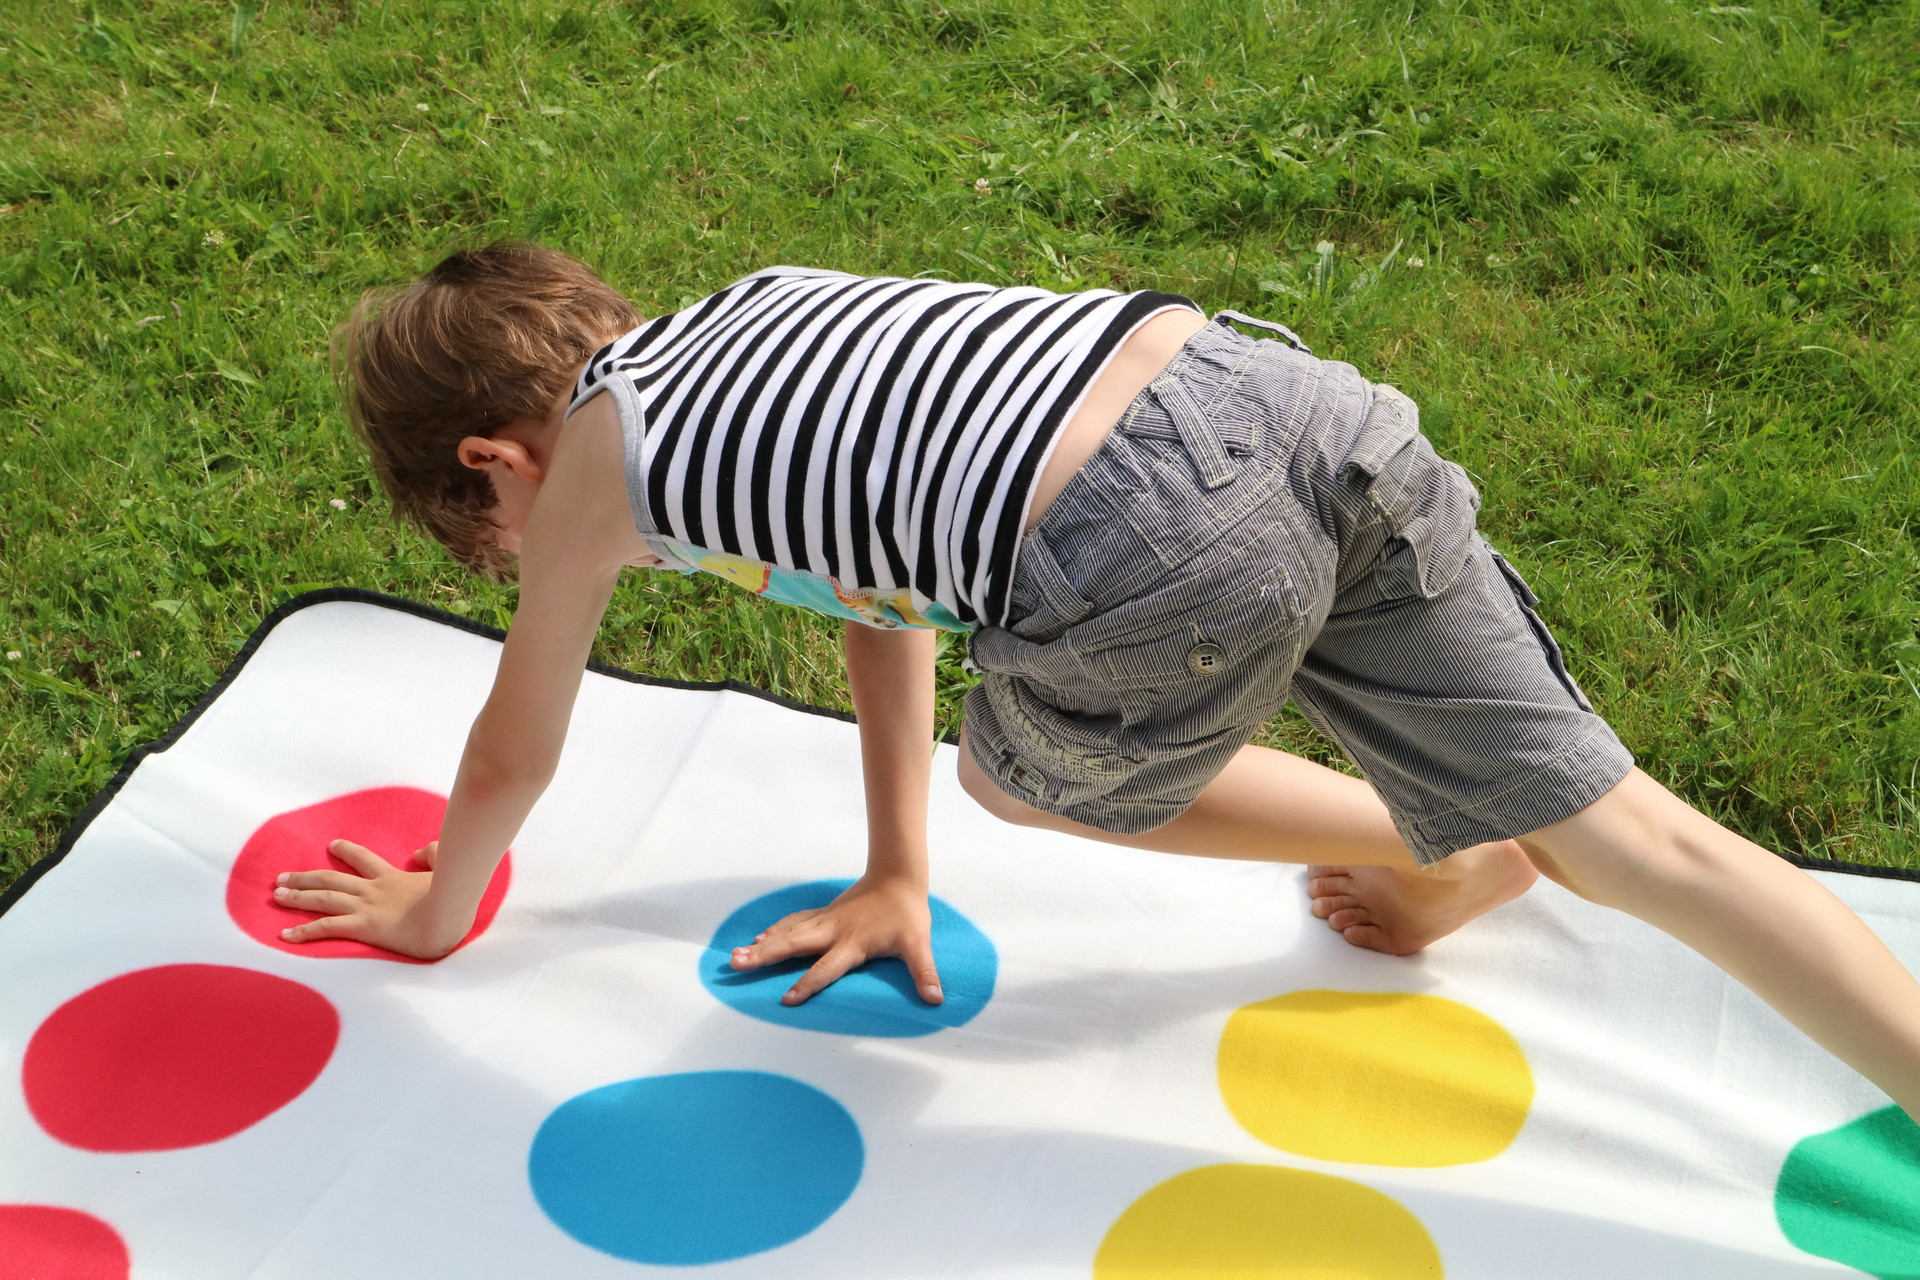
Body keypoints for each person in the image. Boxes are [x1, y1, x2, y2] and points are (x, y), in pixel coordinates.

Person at [293, 242, 1920, 1123]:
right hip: (1290, 402)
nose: (532, 555)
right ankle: (1511, 850)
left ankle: (1443, 836)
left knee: (1023, 772)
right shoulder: (754, 323)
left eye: (492, 539)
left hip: (1145, 534)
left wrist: (441, 909)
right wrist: (894, 868)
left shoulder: (596, 466)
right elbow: (889, 604)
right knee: (1646, 840)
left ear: (495, 460)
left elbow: (518, 745)